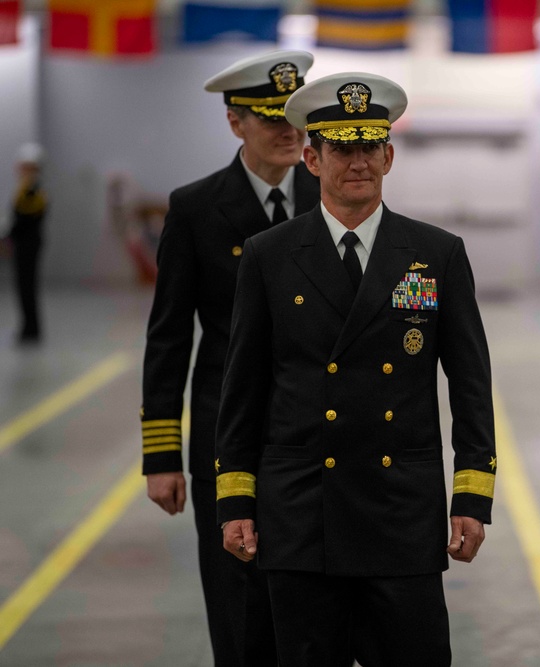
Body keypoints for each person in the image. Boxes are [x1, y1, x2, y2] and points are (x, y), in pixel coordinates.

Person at [214, 71, 496, 667]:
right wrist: (236, 500)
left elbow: (471, 385)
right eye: (342, 148)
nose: (358, 162)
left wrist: (473, 496)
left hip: (401, 514)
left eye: (370, 146)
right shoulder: (269, 256)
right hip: (301, 514)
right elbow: (243, 388)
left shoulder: (435, 254)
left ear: (389, 156)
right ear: (312, 159)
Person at [139, 50, 318, 667]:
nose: (288, 131)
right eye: (271, 118)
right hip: (227, 434)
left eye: (294, 116)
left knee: (316, 602)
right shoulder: (195, 208)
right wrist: (161, 455)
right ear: (235, 122)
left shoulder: (335, 198)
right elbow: (168, 337)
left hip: (316, 435)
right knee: (237, 598)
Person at [7, 142, 47, 344]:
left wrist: (8, 236)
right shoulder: (28, 188)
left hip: (28, 246)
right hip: (26, 244)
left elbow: (24, 219)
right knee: (25, 288)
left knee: (27, 288)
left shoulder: (31, 189)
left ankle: (31, 329)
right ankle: (28, 327)